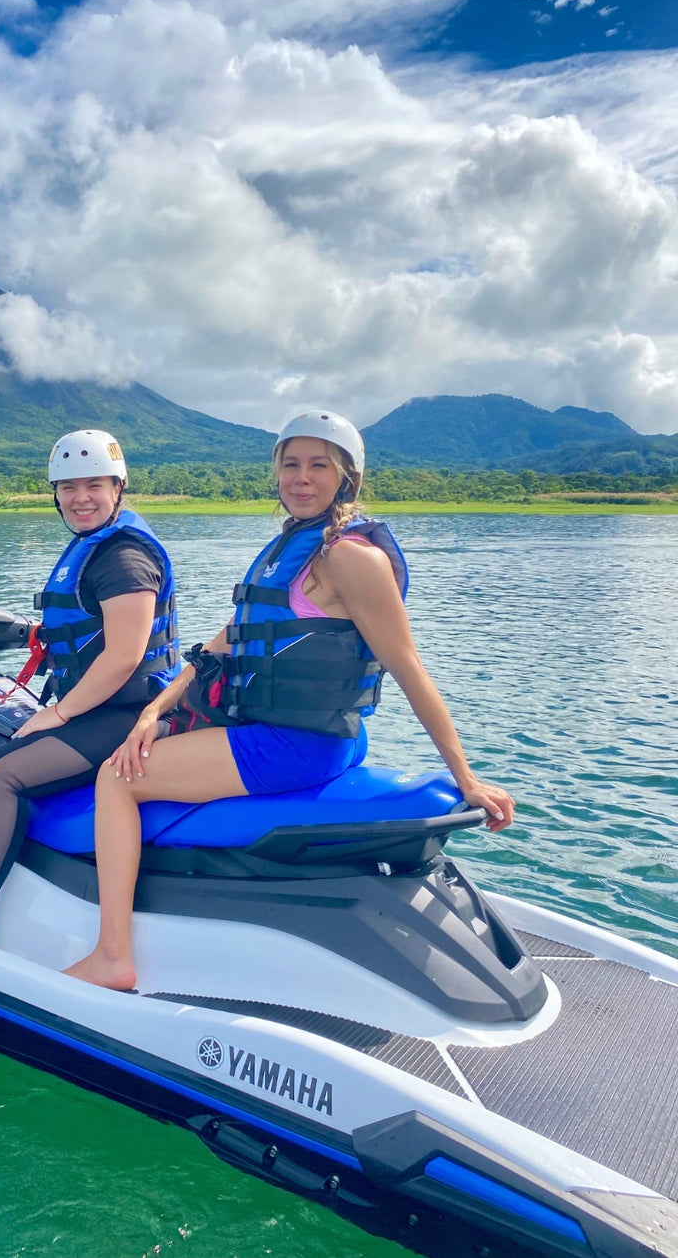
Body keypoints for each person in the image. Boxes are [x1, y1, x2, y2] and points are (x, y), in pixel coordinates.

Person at [65, 409, 516, 989]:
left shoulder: (350, 557)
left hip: (295, 744)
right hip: (306, 734)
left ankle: (112, 957)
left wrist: (468, 777)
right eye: (291, 465)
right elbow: (225, 642)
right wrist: (156, 709)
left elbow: (409, 669)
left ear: (346, 476)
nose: (301, 478)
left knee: (117, 779)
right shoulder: (291, 549)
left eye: (318, 466)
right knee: (145, 750)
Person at [0, 428, 179, 940]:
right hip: (105, 706)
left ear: (119, 487)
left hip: (127, 712)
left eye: (95, 485)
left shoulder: (122, 557)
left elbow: (124, 655)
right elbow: (88, 627)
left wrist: (60, 712)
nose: (81, 498)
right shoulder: (91, 548)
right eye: (68, 487)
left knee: (3, 772)